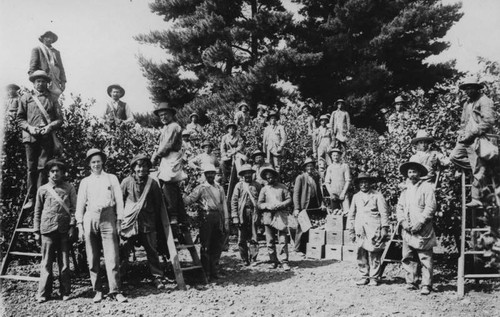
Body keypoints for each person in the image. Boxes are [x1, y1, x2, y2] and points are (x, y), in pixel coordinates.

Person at [75, 149, 127, 303]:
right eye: (93, 162)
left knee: (112, 256)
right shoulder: (85, 181)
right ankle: (97, 290)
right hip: (90, 216)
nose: (96, 164)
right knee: (92, 257)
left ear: (103, 162)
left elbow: (119, 201)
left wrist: (119, 221)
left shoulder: (112, 178)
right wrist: (79, 226)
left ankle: (115, 291)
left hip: (108, 216)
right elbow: (80, 205)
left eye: (98, 161)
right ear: (89, 165)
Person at [17, 70, 63, 210]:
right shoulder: (26, 98)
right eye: (38, 81)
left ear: (46, 83)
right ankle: (31, 198)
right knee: (31, 168)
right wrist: (29, 128)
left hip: (46, 137)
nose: (40, 83)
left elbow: (60, 119)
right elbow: (20, 118)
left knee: (43, 168)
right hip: (30, 137)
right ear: (34, 82)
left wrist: (49, 127)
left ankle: (40, 197)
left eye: (43, 81)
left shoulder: (52, 98)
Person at [120, 154, 167, 290]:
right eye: (139, 166)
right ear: (134, 168)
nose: (142, 169)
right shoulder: (126, 182)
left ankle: (157, 277)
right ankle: (121, 278)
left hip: (147, 223)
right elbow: (120, 202)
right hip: (129, 223)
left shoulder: (152, 183)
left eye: (145, 166)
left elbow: (158, 204)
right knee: (124, 250)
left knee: (152, 251)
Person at [34, 159, 76, 303]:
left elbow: (74, 209)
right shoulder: (43, 189)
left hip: (64, 230)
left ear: (63, 173)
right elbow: (37, 211)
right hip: (47, 230)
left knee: (64, 263)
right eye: (52, 171)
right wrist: (36, 230)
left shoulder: (69, 188)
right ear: (48, 173)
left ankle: (65, 292)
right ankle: (44, 293)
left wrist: (72, 226)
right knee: (46, 263)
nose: (55, 174)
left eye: (58, 171)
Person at [449, 78, 496, 208]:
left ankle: (477, 197)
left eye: (470, 88)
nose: (468, 91)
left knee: (477, 167)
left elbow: (488, 121)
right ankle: (482, 170)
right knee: (454, 156)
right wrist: (462, 135)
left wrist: (473, 133)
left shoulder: (485, 101)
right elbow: (463, 123)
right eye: (466, 89)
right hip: (467, 139)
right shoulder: (467, 103)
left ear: (477, 88)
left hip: (481, 138)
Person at [396, 161, 436, 295]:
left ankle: (426, 284)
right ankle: (411, 282)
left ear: (420, 173)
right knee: (408, 256)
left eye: (414, 172)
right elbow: (400, 208)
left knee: (425, 257)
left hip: (422, 228)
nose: (412, 175)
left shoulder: (427, 187)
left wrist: (421, 222)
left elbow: (430, 207)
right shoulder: (405, 189)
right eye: (410, 172)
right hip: (407, 228)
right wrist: (402, 222)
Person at [183, 164, 229, 280]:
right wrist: (183, 194)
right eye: (208, 173)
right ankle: (206, 273)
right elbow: (189, 200)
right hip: (206, 217)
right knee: (206, 245)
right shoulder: (201, 188)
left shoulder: (219, 188)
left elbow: (224, 205)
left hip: (218, 217)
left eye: (212, 173)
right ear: (205, 174)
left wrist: (226, 220)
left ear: (215, 174)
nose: (210, 175)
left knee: (217, 245)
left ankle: (214, 270)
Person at [347, 173, 390, 286]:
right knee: (361, 253)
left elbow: (384, 213)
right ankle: (364, 276)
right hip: (360, 229)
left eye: (366, 182)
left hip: (373, 227)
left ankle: (374, 277)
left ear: (370, 183)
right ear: (358, 185)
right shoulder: (356, 197)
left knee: (374, 252)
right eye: (361, 183)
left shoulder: (377, 195)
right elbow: (351, 214)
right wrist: (350, 229)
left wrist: (384, 228)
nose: (364, 185)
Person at [151, 102, 188, 225]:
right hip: (167, 158)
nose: (163, 117)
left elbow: (168, 145)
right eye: (161, 115)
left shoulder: (173, 126)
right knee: (171, 186)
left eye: (165, 114)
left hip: (171, 157)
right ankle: (180, 215)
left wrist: (156, 156)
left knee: (168, 183)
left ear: (171, 114)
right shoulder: (166, 128)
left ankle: (174, 214)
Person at [257, 166, 292, 271]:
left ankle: (284, 261)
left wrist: (281, 205)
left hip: (280, 215)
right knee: (270, 240)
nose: (270, 179)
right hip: (268, 216)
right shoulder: (264, 189)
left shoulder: (282, 187)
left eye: (272, 177)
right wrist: (267, 206)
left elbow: (289, 199)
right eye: (268, 178)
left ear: (275, 177)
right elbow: (259, 204)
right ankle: (273, 261)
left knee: (282, 239)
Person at [231, 164, 262, 265]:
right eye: (245, 173)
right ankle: (244, 259)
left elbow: (261, 201)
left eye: (249, 173)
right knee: (242, 237)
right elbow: (234, 201)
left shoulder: (257, 185)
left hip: (254, 213)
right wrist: (235, 216)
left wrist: (260, 215)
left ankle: (253, 258)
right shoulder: (239, 186)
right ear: (242, 175)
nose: (248, 175)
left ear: (252, 174)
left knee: (254, 236)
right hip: (242, 213)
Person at [292, 158, 324, 253]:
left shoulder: (315, 177)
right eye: (308, 166)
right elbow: (296, 194)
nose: (310, 168)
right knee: (301, 227)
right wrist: (297, 208)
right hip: (304, 206)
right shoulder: (301, 178)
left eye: (311, 166)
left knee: (312, 226)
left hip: (313, 206)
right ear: (305, 168)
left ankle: (308, 248)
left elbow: (319, 193)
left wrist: (322, 203)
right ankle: (297, 249)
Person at [28, 31, 66, 99]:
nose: (49, 39)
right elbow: (32, 66)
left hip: (55, 80)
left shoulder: (56, 52)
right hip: (43, 78)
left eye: (51, 38)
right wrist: (34, 80)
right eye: (47, 37)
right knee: (43, 98)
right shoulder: (37, 49)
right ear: (43, 38)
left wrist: (63, 81)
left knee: (54, 100)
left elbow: (61, 67)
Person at [324, 148, 351, 213]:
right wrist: (331, 193)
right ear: (331, 157)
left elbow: (348, 180)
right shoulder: (330, 167)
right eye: (334, 155)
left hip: (343, 193)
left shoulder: (345, 166)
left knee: (346, 213)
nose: (335, 157)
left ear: (340, 156)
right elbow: (327, 182)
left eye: (337, 155)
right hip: (334, 195)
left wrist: (343, 193)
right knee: (335, 214)